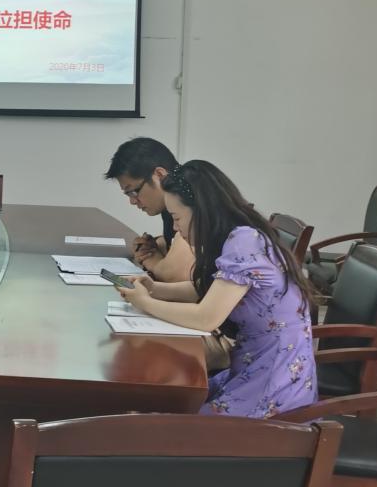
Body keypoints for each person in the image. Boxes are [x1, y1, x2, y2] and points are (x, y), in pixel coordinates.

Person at [116, 160, 318, 418]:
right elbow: (209, 290)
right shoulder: (238, 235)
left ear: (202, 211)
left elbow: (206, 318)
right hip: (256, 366)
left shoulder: (243, 242)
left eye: (177, 218)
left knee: (166, 423)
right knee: (167, 403)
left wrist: (145, 303)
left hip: (273, 384)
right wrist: (155, 288)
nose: (175, 228)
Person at [104, 137, 194, 283]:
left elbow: (174, 275)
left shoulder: (190, 200)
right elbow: (175, 242)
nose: (132, 201)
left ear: (159, 175)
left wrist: (150, 259)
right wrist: (153, 246)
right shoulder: (173, 198)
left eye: (133, 191)